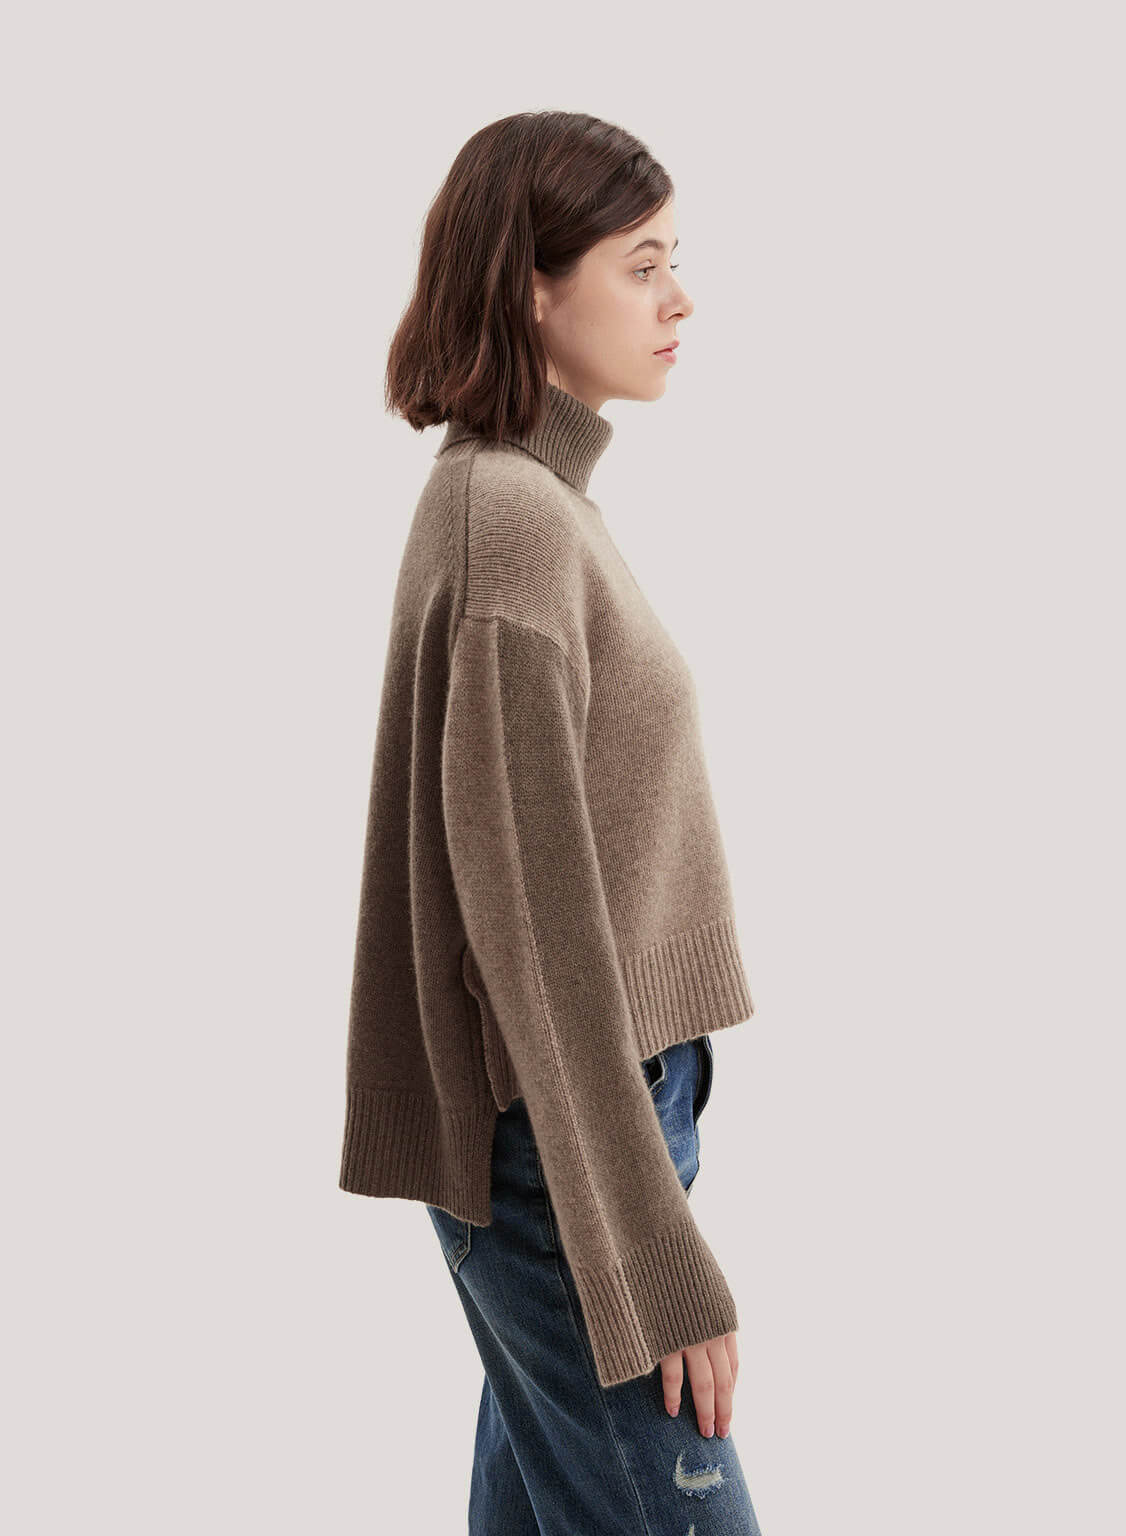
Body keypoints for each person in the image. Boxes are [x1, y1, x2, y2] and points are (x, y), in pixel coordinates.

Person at [339, 109, 765, 1534]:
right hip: (562, 1147)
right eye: (641, 266)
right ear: (531, 288)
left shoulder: (533, 504)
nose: (678, 298)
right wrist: (649, 1253)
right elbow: (536, 938)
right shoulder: (509, 525)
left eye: (674, 260)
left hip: (591, 1123)